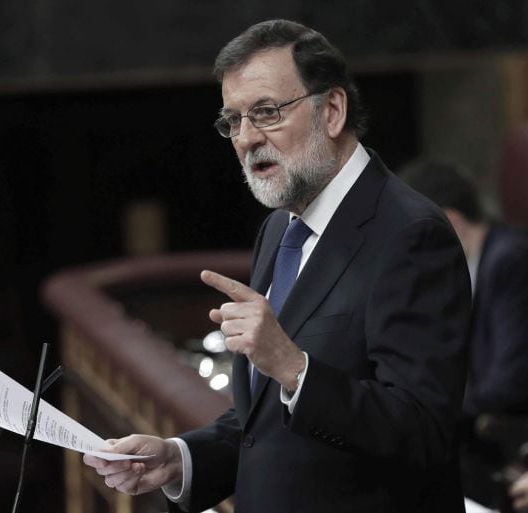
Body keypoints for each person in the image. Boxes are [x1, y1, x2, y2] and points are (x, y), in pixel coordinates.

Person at [82, 19, 472, 513]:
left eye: (265, 112)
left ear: (331, 110)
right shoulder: (280, 229)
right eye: (233, 120)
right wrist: (182, 458)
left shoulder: (411, 234)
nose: (245, 138)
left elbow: (423, 431)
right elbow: (266, 419)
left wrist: (292, 366)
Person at [402, 160, 528, 510]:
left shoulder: (509, 259)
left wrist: (432, 407)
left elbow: (512, 381)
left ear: (451, 222)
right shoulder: (482, 259)